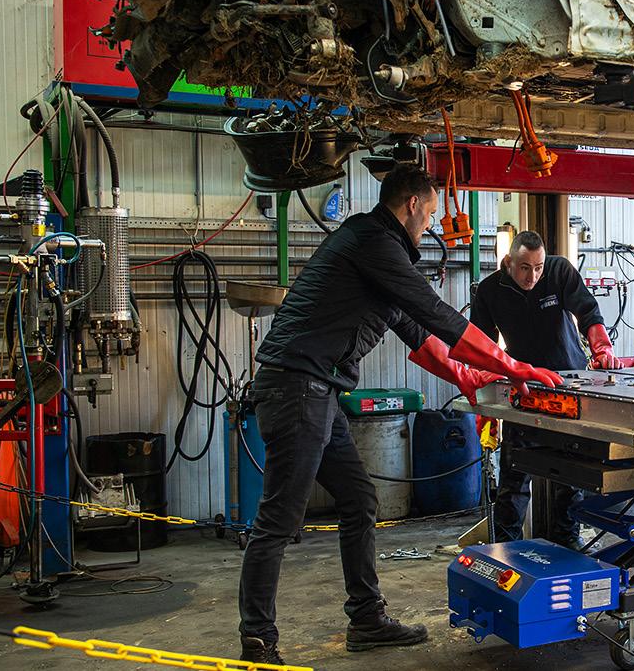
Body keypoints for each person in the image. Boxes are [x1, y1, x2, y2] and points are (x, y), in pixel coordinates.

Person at [239, 166, 561, 664]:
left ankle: (367, 619)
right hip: (298, 388)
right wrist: (512, 365)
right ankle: (257, 641)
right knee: (279, 520)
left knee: (359, 499)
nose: (430, 224)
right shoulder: (373, 242)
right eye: (430, 213)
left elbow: (422, 337)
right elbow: (438, 316)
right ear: (412, 204)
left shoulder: (379, 256)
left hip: (316, 391)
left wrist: (473, 378)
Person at [470, 230, 622, 548]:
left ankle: (567, 541)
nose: (533, 276)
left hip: (568, 386)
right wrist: (484, 382)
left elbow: (588, 311)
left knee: (572, 476)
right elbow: (480, 344)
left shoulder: (559, 271)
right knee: (514, 473)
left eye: (538, 267)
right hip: (523, 390)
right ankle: (508, 547)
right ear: (508, 262)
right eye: (525, 267)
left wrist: (602, 349)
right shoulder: (489, 291)